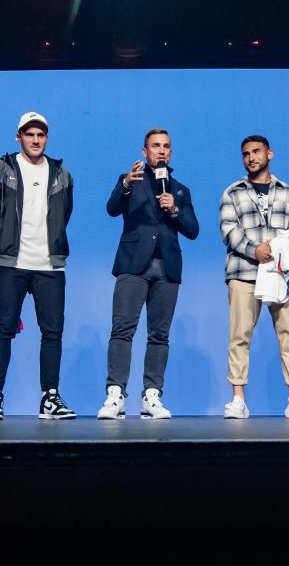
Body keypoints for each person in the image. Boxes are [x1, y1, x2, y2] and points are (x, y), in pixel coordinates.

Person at [0, 112, 75, 420]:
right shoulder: (0, 169)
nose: (35, 140)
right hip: (11, 263)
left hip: (50, 265)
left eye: (41, 135)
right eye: (29, 135)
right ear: (19, 137)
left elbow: (65, 214)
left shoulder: (62, 175)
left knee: (53, 332)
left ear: (46, 138)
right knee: (3, 328)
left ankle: (50, 398)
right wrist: (2, 241)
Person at [97, 129, 199, 419]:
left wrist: (175, 210)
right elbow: (112, 209)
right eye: (156, 146)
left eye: (166, 146)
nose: (161, 151)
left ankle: (151, 396)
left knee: (159, 335)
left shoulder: (178, 189)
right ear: (145, 152)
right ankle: (115, 394)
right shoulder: (131, 181)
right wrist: (127, 184)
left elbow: (193, 230)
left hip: (167, 268)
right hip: (133, 266)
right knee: (122, 329)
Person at [220, 135, 289, 419]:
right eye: (246, 154)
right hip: (243, 272)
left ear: (269, 154)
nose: (251, 157)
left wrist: (273, 251)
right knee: (239, 335)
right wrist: (255, 250)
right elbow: (229, 230)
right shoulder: (233, 192)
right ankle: (238, 398)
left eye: (256, 152)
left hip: (281, 273)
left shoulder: (288, 192)